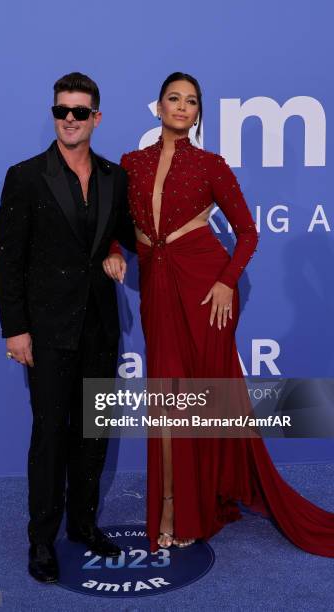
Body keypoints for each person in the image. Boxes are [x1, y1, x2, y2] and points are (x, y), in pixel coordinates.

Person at [104, 72, 334, 555]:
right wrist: (113, 248)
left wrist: (227, 282)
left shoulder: (211, 165)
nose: (183, 107)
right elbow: (114, 223)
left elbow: (247, 233)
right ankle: (169, 504)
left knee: (197, 400)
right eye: (174, 99)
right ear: (159, 107)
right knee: (166, 398)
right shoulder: (131, 164)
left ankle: (188, 507)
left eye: (191, 102)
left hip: (206, 292)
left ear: (198, 113)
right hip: (158, 289)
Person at [0, 72, 135, 583]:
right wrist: (16, 330)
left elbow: (123, 234)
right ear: (53, 114)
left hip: (99, 327)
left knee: (92, 434)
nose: (69, 120)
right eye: (61, 111)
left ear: (96, 117)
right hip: (48, 330)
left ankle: (83, 526)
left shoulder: (114, 177)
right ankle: (41, 541)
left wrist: (117, 251)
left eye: (79, 111)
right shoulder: (26, 176)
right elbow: (8, 260)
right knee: (50, 436)